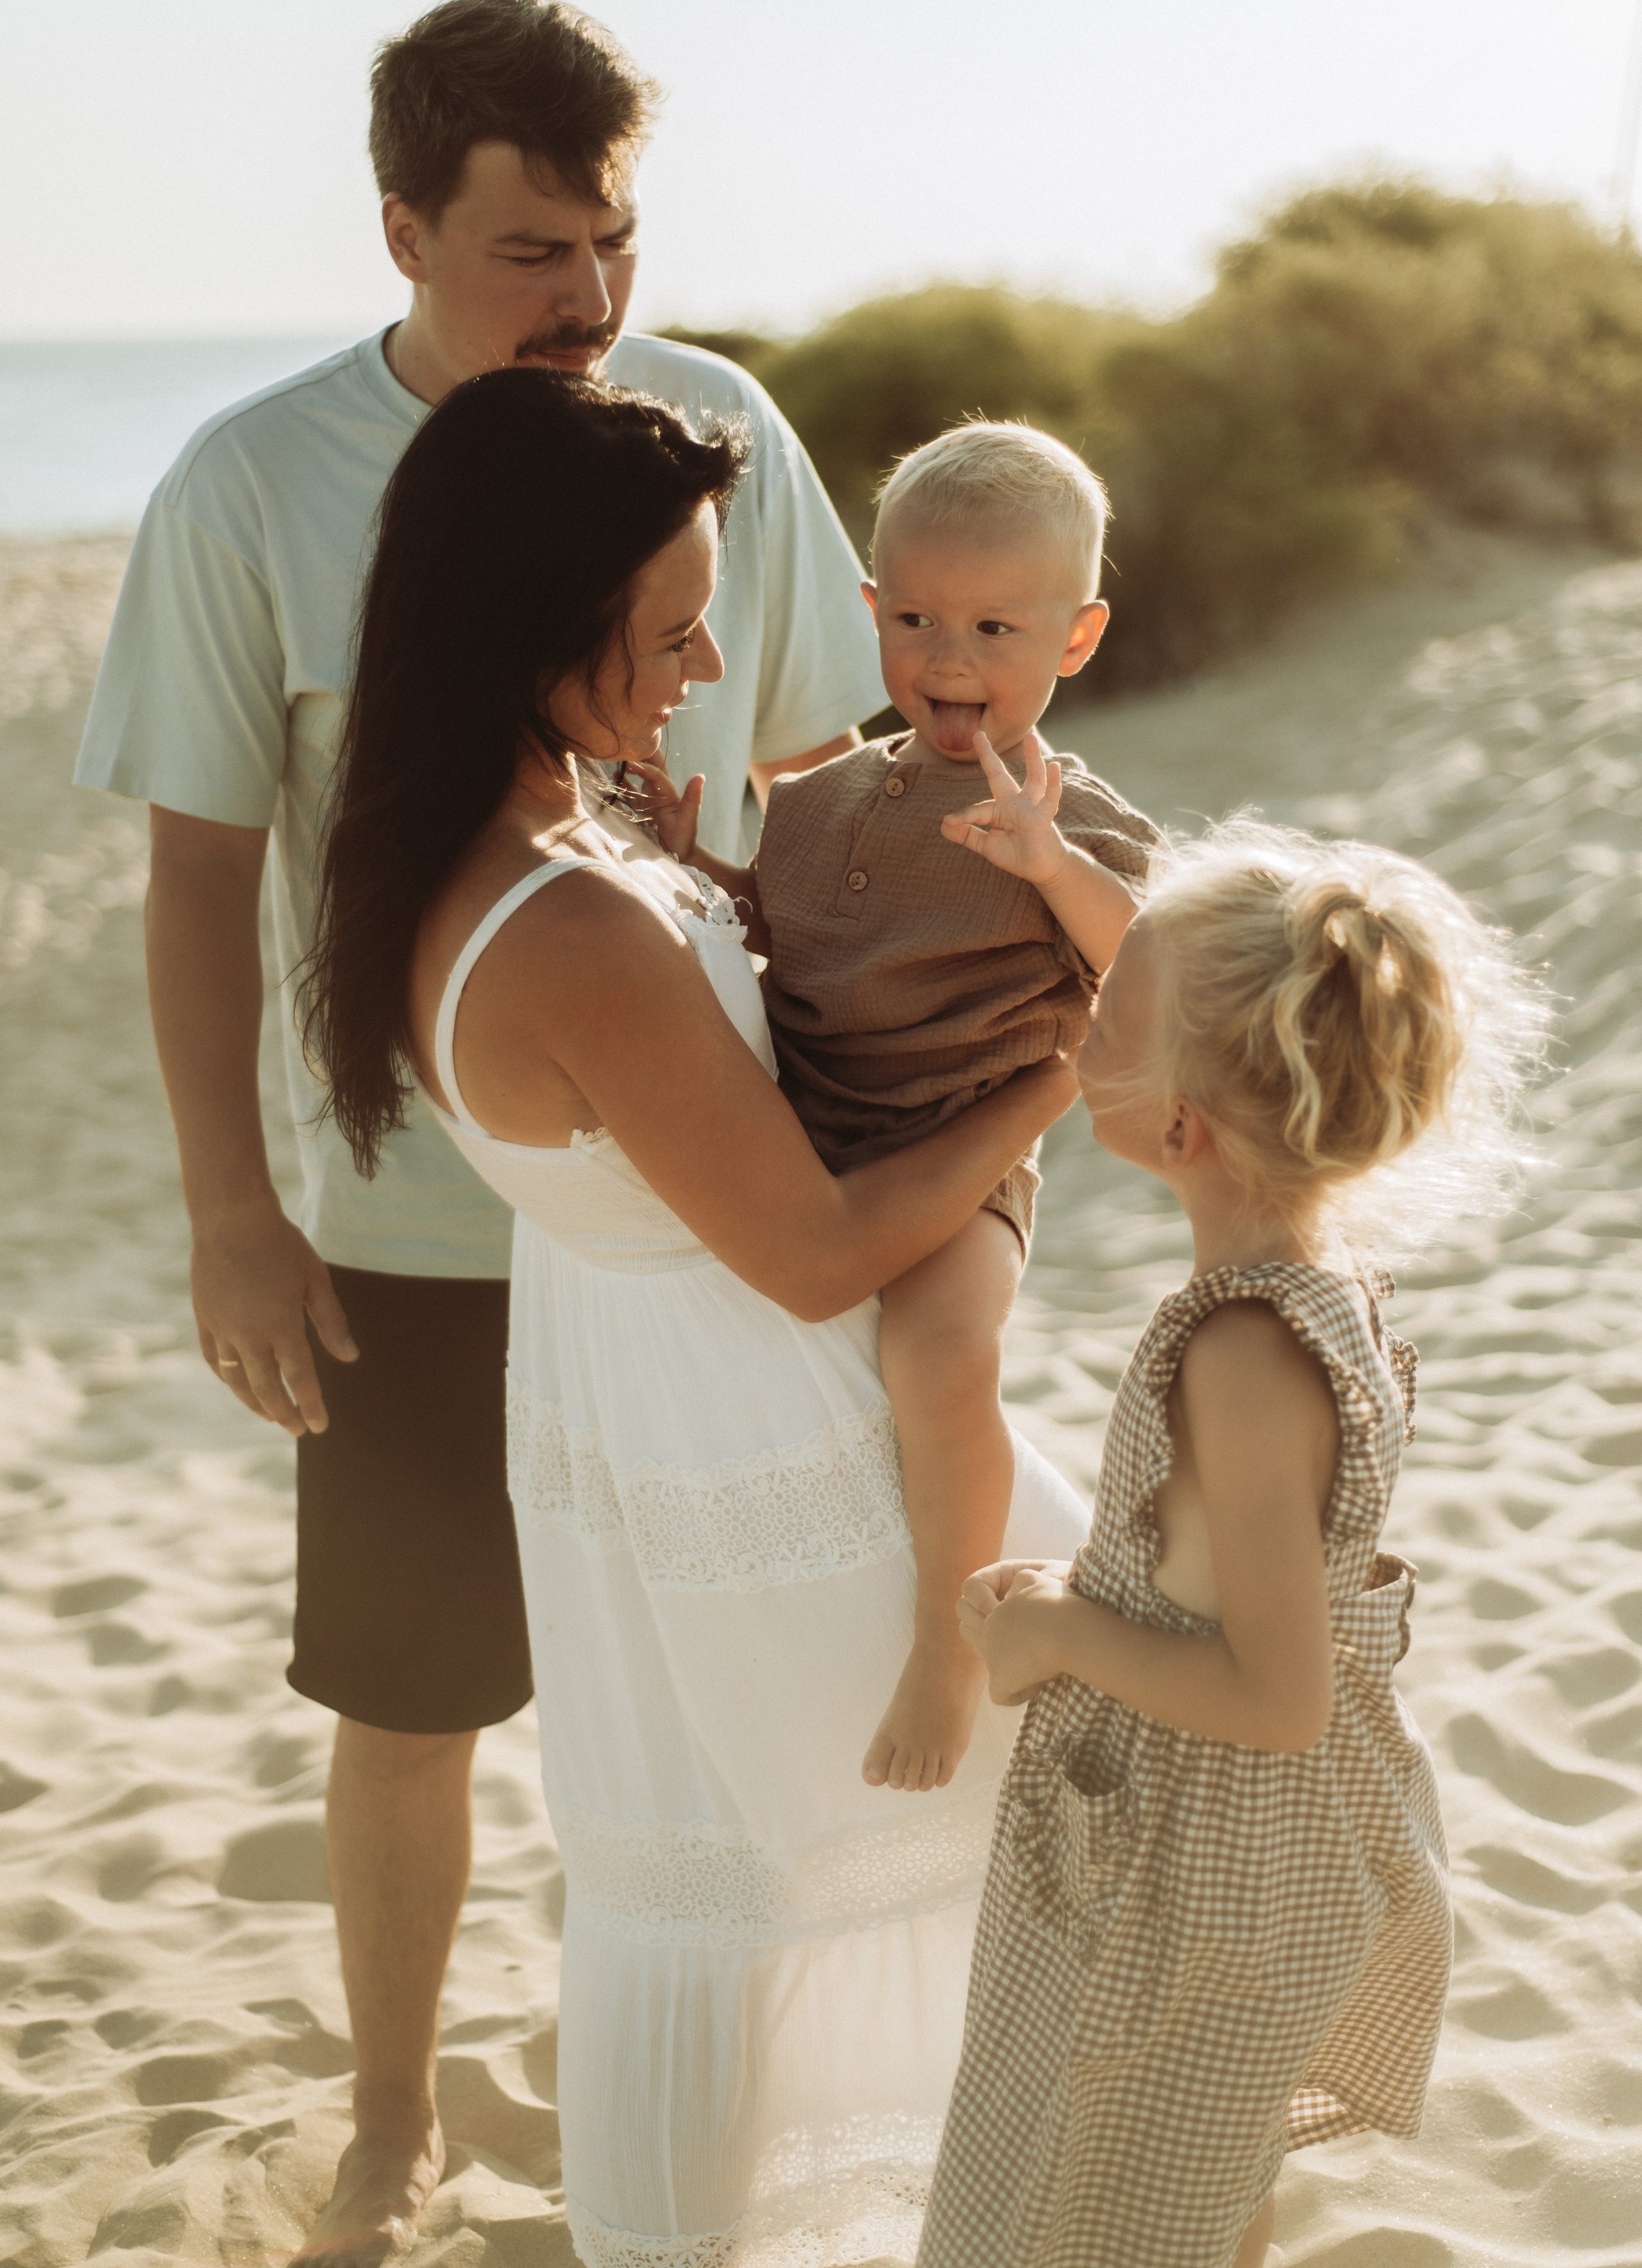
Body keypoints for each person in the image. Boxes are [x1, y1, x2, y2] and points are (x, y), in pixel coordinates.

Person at [72, 0, 887, 2265]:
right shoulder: (250, 480)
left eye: (614, 240)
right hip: (418, 1229)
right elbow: (205, 868)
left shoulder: (712, 423)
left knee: (746, 1697)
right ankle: (394, 2118)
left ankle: (776, 2090)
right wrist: (236, 1212)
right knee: (413, 1695)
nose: (591, 302)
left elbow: (810, 771)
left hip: (709, 1197)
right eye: (533, 249)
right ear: (405, 228)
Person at [301, 362, 1092, 2264]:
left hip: (675, 1414)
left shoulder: (531, 832)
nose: (714, 656)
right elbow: (817, 1251)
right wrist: (1063, 1070)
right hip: (771, 1431)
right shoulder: (560, 923)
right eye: (668, 627)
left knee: (776, 1882)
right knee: (1065, 1802)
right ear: (536, 626)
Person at [920, 821, 1543, 2268]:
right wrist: (1089, 1586)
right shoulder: (1326, 1293)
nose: (1084, 1024)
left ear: (1181, 1123)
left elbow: (1274, 1695)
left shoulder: (1241, 1355)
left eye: (1112, 1011)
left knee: (1098, 2202)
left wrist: (1059, 1634)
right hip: (1241, 1848)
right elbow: (1235, 1593)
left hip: (1191, 1877)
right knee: (1187, 2198)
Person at [625, 423, 1157, 1793]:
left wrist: (1048, 872)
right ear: (869, 613)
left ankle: (943, 1643)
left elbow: (1144, 975)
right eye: (913, 617)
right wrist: (702, 875)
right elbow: (781, 940)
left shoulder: (1069, 820)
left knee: (935, 1359)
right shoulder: (816, 801)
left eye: (993, 626)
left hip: (958, 1165)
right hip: (809, 1141)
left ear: (1075, 639)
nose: (947, 658)